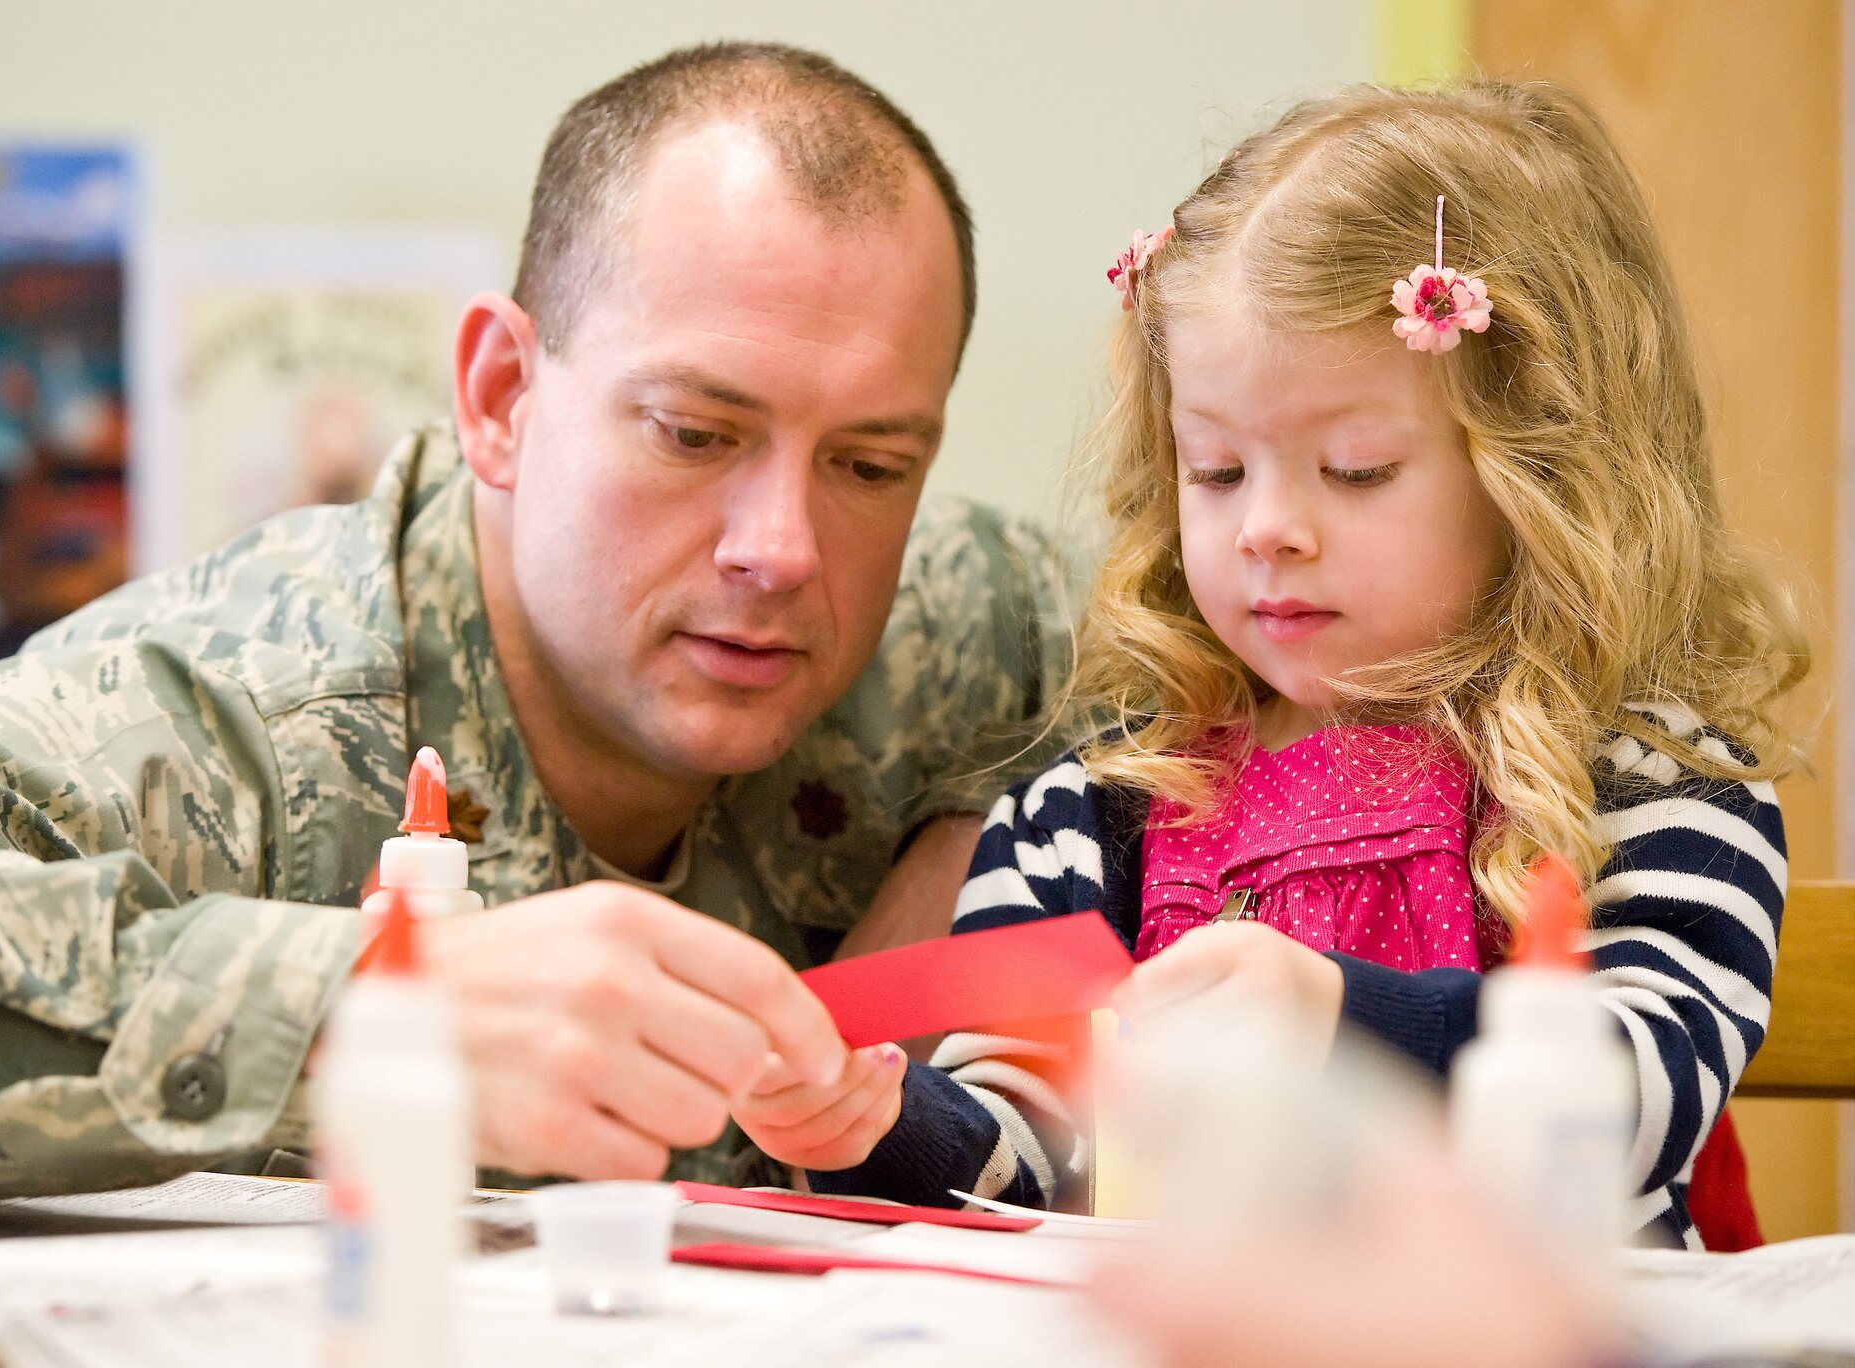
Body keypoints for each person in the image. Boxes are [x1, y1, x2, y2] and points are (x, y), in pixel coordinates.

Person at [0, 42, 1074, 1203]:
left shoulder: (979, 632)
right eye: (695, 435)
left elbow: (1211, 626)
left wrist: (988, 823)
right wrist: (364, 1015)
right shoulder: (240, 720)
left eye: (869, 466)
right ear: (501, 396)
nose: (783, 550)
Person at [733, 80, 1806, 1250]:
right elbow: (1022, 1165)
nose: (1264, 530)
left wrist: (1340, 1016)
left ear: (1536, 478)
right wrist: (876, 1120)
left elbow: (1633, 1107)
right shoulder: (1087, 816)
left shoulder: (1650, 784)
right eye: (1216, 470)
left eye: (1351, 470)